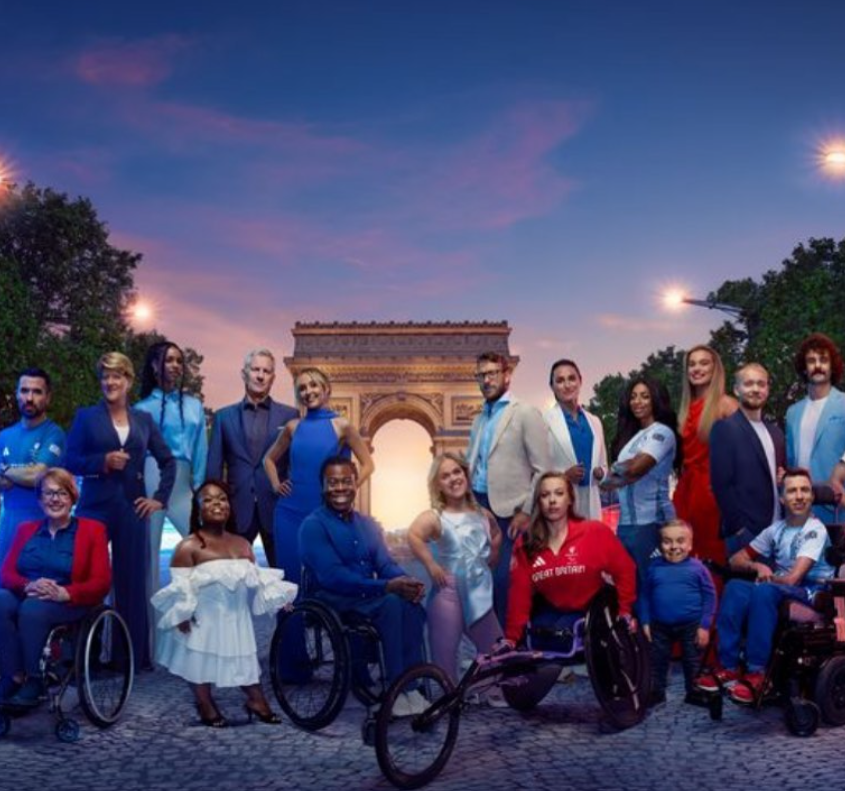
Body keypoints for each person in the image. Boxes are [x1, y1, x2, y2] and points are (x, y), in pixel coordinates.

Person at [152, 480, 297, 727]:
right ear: (197, 510)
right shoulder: (188, 546)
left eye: (221, 498)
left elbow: (257, 577)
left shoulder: (242, 544)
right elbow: (180, 587)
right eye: (208, 500)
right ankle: (204, 702)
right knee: (198, 659)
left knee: (243, 659)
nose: (217, 504)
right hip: (203, 618)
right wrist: (183, 615)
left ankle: (256, 700)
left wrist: (279, 598)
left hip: (237, 618)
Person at [65, 352, 176, 668]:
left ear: (128, 381)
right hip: (94, 508)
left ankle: (128, 658)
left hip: (133, 507)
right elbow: (69, 460)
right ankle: (86, 658)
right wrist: (101, 462)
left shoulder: (144, 420)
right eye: (105, 376)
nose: (110, 382)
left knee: (131, 584)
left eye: (117, 376)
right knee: (90, 582)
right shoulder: (86, 417)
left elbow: (167, 461)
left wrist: (159, 498)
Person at [300, 457, 427, 716]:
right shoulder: (313, 526)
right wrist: (386, 587)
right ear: (322, 486)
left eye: (346, 481)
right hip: (332, 597)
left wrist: (406, 581)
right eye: (332, 482)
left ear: (355, 483)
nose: (340, 488)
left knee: (411, 605)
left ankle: (410, 687)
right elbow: (333, 577)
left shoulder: (368, 524)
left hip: (366, 593)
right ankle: (395, 689)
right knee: (391, 603)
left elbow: (385, 563)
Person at [696, 469, 834, 704]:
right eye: (792, 491)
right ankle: (728, 666)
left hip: (811, 591)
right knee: (736, 588)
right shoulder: (776, 530)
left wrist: (769, 578)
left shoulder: (815, 530)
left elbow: (793, 579)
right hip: (779, 587)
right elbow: (736, 559)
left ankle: (757, 672)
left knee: (763, 591)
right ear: (782, 498)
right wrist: (758, 568)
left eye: (805, 490)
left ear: (811, 497)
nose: (799, 496)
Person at [0, 468, 110, 706]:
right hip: (29, 592)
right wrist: (28, 585)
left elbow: (101, 582)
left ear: (72, 498)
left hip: (69, 600)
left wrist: (65, 593)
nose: (55, 499)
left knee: (32, 609)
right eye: (48, 493)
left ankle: (35, 679)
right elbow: (6, 573)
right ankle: (14, 674)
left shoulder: (92, 530)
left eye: (62, 493)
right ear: (39, 499)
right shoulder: (26, 530)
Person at [263, 366, 374, 590]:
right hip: (289, 512)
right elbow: (268, 460)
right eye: (302, 388)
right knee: (290, 582)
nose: (308, 391)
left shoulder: (342, 425)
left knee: (328, 579)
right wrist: (276, 485)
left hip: (325, 513)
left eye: (313, 385)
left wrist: (347, 489)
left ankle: (328, 624)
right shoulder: (293, 427)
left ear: (327, 389)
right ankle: (290, 625)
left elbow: (368, 465)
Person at [505, 471, 636, 648]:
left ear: (570, 500)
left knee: (561, 635)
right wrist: (511, 638)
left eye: (559, 493)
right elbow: (519, 595)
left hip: (590, 611)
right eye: (545, 495)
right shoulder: (526, 544)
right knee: (537, 638)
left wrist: (625, 611)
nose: (552, 500)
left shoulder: (594, 532)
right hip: (552, 610)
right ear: (538, 503)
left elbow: (626, 570)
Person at [467, 351, 550, 625]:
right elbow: (474, 463)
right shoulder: (479, 419)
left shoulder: (525, 413)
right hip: (480, 507)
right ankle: (493, 646)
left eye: (492, 373)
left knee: (505, 581)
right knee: (482, 583)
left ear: (507, 376)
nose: (487, 380)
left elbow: (543, 469)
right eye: (481, 375)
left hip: (509, 512)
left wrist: (526, 511)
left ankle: (510, 647)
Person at [407, 452, 502, 683]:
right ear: (438, 485)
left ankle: (488, 689)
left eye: (457, 472)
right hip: (447, 593)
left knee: (496, 650)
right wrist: (430, 564)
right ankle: (450, 695)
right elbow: (413, 535)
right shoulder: (435, 516)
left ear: (466, 475)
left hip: (479, 594)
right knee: (445, 655)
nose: (453, 479)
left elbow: (496, 535)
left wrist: (492, 557)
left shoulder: (483, 514)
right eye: (445, 476)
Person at [207, 348, 298, 568]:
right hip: (237, 509)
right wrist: (214, 510)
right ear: (244, 373)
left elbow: (296, 463)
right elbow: (213, 470)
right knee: (233, 579)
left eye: (266, 371)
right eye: (255, 369)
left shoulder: (290, 416)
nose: (260, 375)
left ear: (273, 378)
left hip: (277, 508)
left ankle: (289, 606)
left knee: (286, 578)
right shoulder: (223, 417)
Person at [135, 341, 208, 598]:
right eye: (169, 360)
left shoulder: (194, 406)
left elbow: (200, 448)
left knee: (204, 548)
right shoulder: (141, 408)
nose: (176, 365)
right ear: (155, 366)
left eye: (179, 360)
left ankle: (197, 620)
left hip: (184, 484)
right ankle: (149, 634)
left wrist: (199, 487)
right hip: (151, 479)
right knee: (147, 559)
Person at [602, 376, 679, 613]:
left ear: (656, 399)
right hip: (626, 527)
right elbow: (608, 484)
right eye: (634, 396)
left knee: (652, 591)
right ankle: (637, 648)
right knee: (630, 594)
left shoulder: (663, 432)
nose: (638, 401)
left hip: (652, 523)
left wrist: (619, 468)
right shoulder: (631, 439)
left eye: (645, 396)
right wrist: (623, 469)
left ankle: (659, 648)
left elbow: (637, 468)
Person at [710, 363, 785, 556]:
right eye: (749, 383)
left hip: (778, 531)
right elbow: (721, 484)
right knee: (743, 587)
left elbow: (778, 475)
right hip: (745, 534)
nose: (755, 389)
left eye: (761, 384)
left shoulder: (776, 433)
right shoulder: (724, 429)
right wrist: (739, 529)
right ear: (737, 389)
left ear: (767, 389)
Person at [673, 345, 738, 565]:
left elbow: (745, 452)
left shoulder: (726, 405)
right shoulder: (685, 409)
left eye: (703, 363)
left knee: (711, 555)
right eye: (692, 364)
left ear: (715, 369)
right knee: (684, 553)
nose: (696, 368)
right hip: (685, 491)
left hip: (711, 493)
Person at [640, 520, 717, 706]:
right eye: (667, 541)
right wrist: (645, 621)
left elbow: (710, 597)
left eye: (680, 541)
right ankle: (656, 692)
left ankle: (694, 692)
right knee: (657, 661)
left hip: (691, 625)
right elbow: (644, 596)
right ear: (660, 544)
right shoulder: (654, 568)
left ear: (690, 544)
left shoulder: (698, 568)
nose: (674, 546)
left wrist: (704, 626)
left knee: (692, 661)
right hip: (660, 626)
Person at [0, 368, 66, 565]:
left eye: (37, 392)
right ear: (17, 394)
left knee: (36, 592)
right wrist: (22, 474)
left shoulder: (54, 434)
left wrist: (5, 470)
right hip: (7, 529)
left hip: (43, 529)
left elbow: (38, 475)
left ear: (48, 398)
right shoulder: (4, 436)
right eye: (24, 390)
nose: (29, 397)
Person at [786, 333, 845, 522]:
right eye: (811, 360)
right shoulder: (793, 412)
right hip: (801, 509)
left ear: (832, 366)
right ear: (804, 368)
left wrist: (842, 466)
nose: (818, 365)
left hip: (837, 507)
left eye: (823, 360)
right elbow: (790, 460)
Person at [543, 358, 608, 521]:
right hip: (561, 501)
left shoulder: (595, 421)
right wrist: (564, 476)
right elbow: (536, 470)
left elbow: (604, 464)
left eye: (572, 378)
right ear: (552, 387)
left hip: (592, 500)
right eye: (560, 380)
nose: (567, 385)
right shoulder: (542, 422)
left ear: (580, 381)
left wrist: (601, 473)